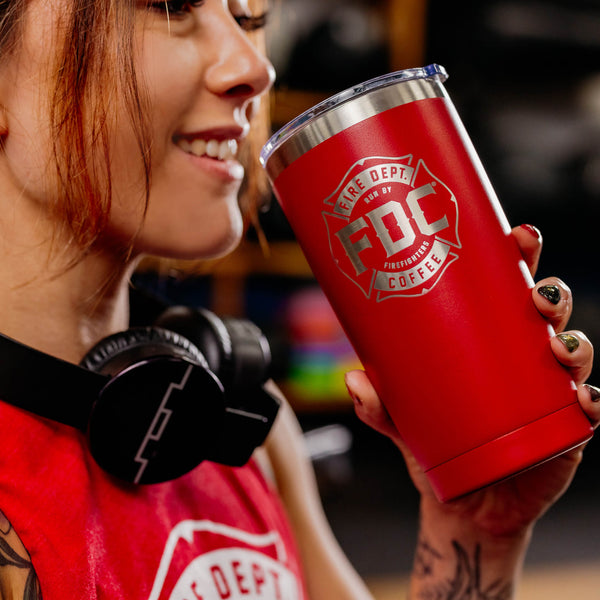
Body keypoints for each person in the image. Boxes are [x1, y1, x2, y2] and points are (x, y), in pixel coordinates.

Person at [0, 0, 597, 598]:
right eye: (170, 4)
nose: (254, 68)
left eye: (250, 18)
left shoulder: (245, 424)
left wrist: (475, 535)